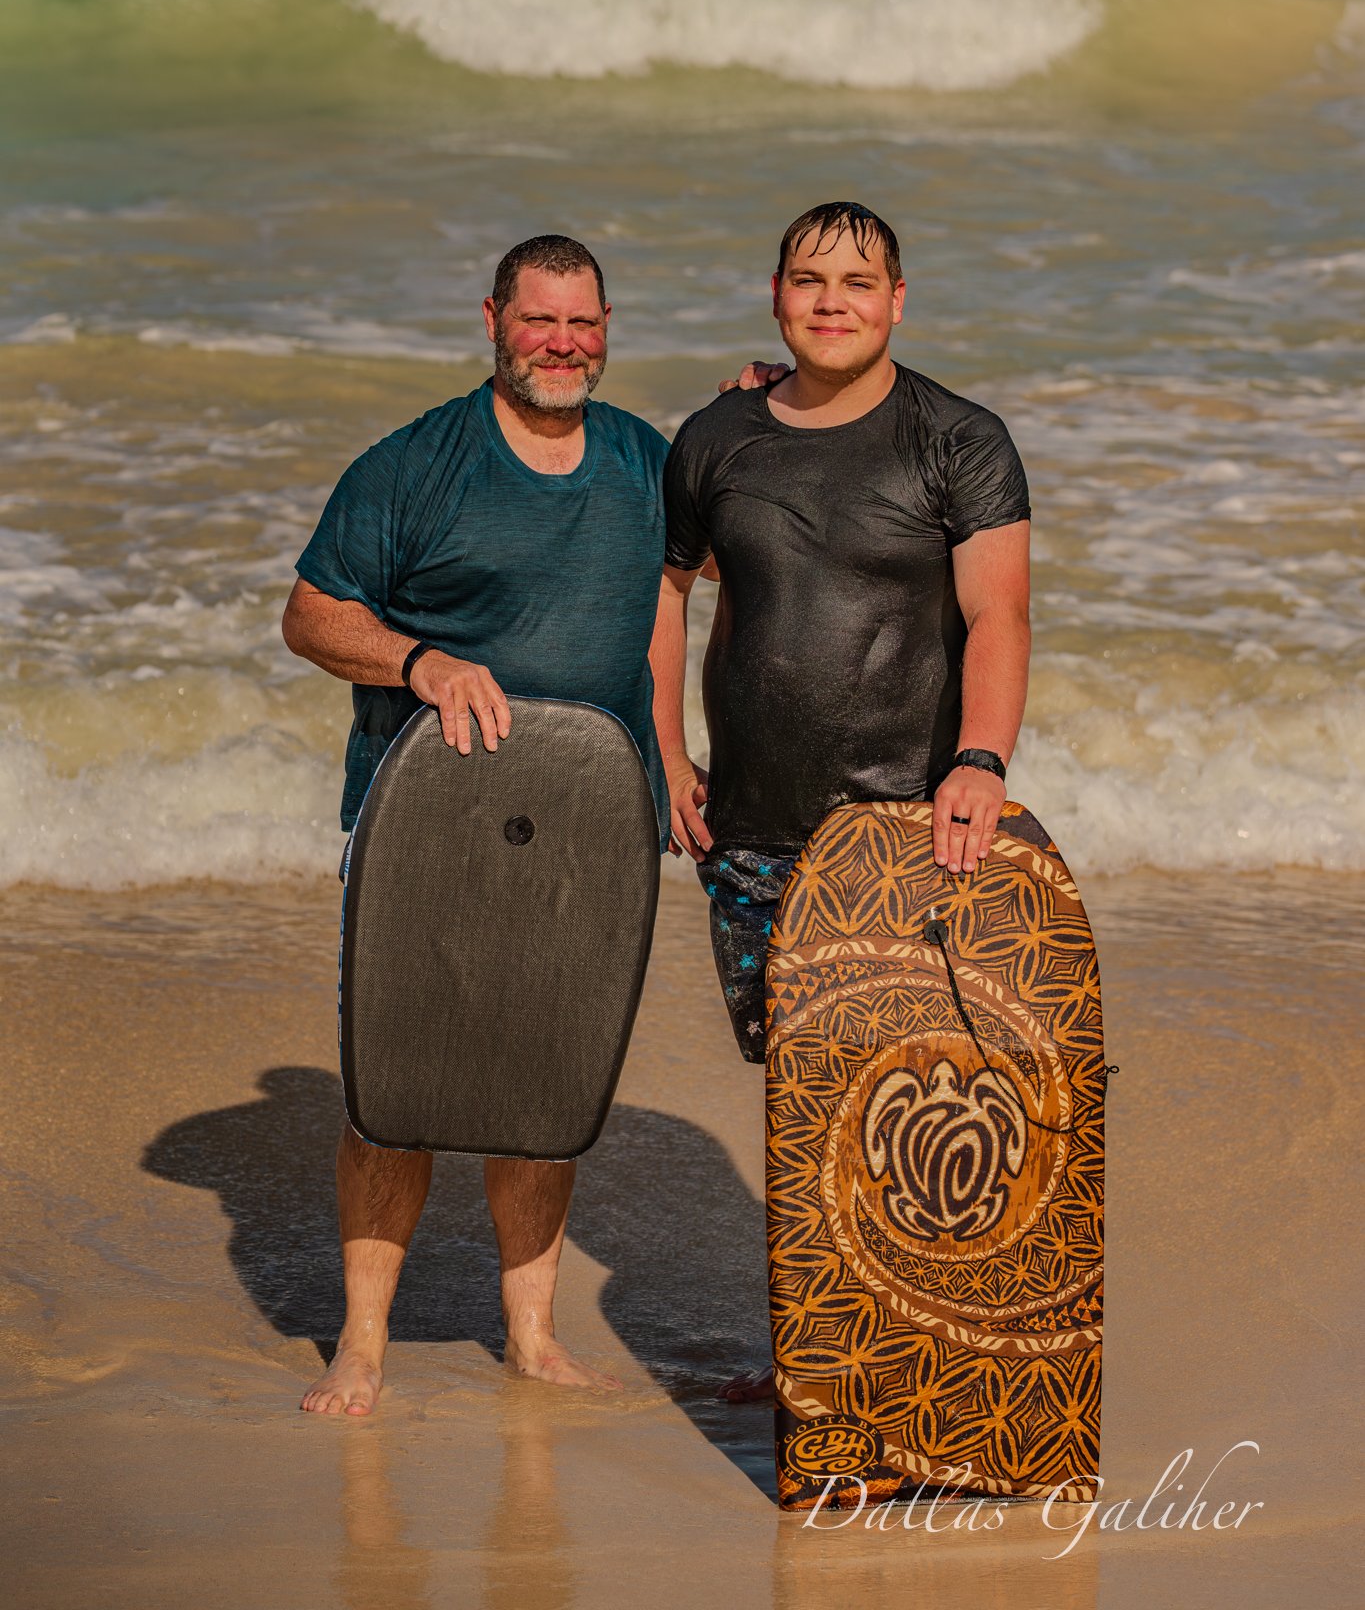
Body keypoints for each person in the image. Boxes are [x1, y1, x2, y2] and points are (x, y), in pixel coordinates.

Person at [282, 233, 673, 1413]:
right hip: (426, 822)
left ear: (607, 329)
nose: (562, 343)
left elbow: (718, 554)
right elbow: (310, 614)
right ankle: (362, 1342)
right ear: (494, 318)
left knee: (545, 1083)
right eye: (539, 319)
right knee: (395, 1087)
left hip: (587, 822)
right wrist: (420, 660)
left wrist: (769, 399)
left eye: (583, 322)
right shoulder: (416, 465)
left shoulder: (647, 461)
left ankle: (534, 1338)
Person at [649, 200, 1032, 1401]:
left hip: (904, 836)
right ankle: (821, 1361)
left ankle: (920, 1364)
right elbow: (667, 590)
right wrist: (664, 749)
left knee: (911, 1098)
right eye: (810, 279)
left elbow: (1001, 615)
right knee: (802, 1097)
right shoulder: (716, 434)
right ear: (775, 295)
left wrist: (980, 761)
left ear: (898, 301)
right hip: (750, 829)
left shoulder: (959, 439)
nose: (833, 301)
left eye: (858, 281)